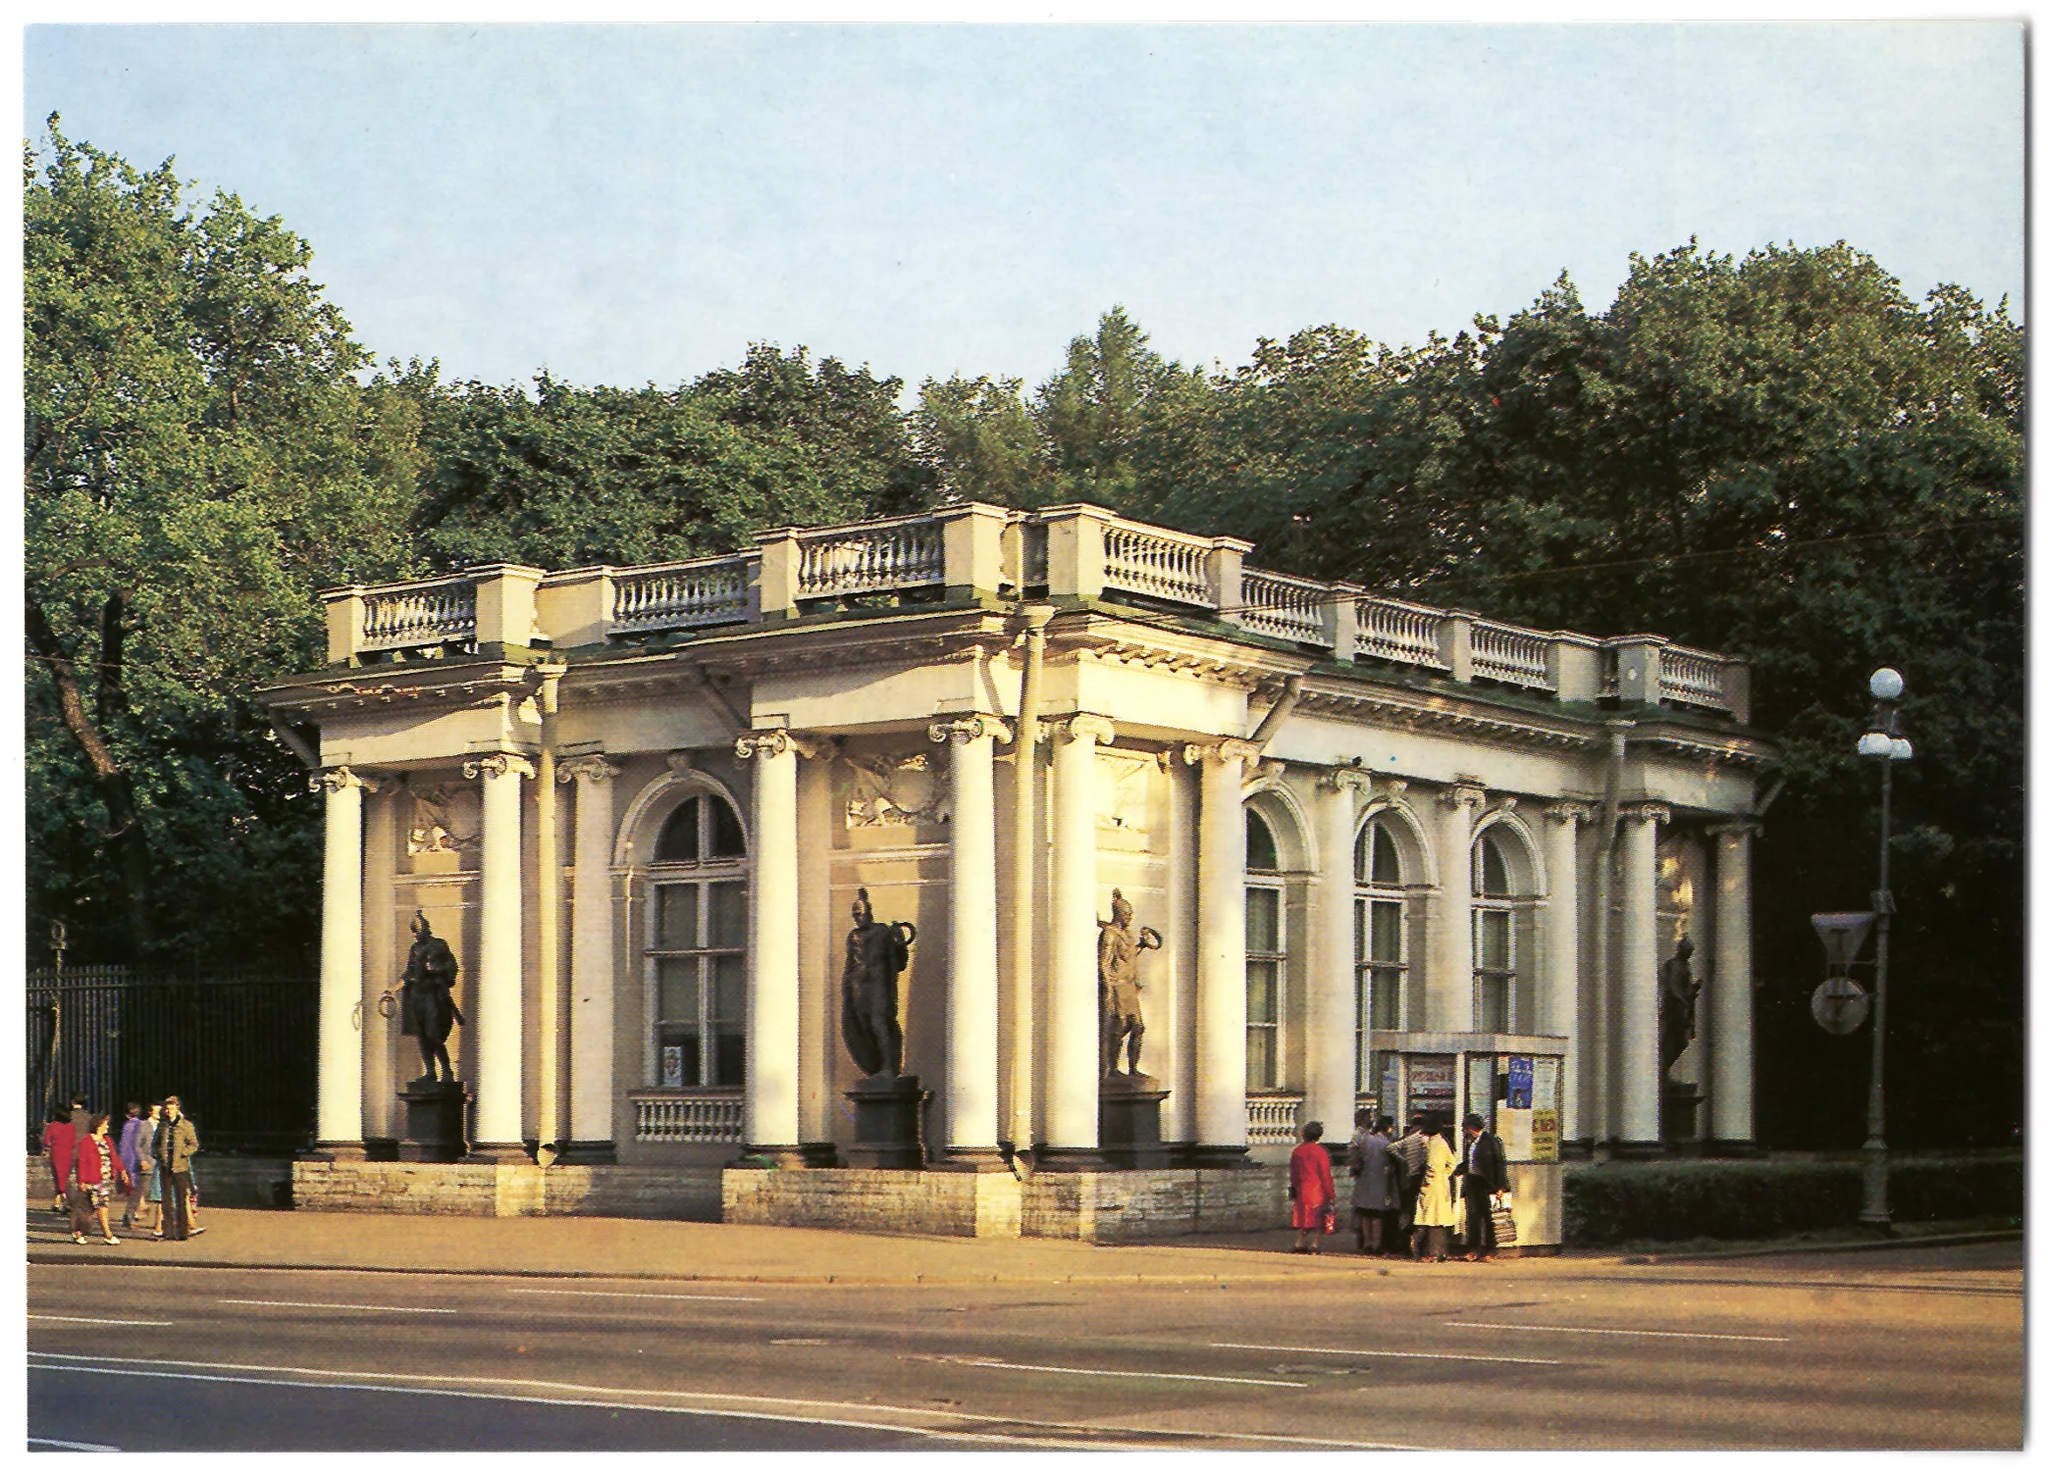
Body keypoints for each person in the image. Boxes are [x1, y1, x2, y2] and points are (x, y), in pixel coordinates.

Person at [840, 888, 913, 1078]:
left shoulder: (882, 932)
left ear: (869, 912)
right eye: (855, 915)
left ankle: (889, 1068)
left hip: (879, 987)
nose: (858, 918)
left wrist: (898, 940)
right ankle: (876, 1067)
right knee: (862, 1026)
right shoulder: (853, 936)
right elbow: (850, 963)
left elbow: (899, 962)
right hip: (858, 988)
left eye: (860, 913)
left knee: (879, 1024)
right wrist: (847, 987)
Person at [1097, 889, 1161, 1076]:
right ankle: (1113, 1069)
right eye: (1126, 914)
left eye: (1131, 914)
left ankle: (1133, 1069)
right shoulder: (1110, 934)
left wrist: (1142, 945)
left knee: (1138, 1027)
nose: (1130, 918)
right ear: (1118, 914)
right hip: (1118, 987)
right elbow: (1104, 963)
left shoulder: (1127, 934)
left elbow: (1127, 956)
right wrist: (1109, 987)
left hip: (1130, 988)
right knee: (1118, 1028)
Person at [400, 912, 464, 1084]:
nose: (415, 934)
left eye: (417, 930)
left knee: (432, 1034)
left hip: (433, 995)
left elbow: (451, 965)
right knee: (421, 1035)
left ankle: (447, 1070)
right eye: (413, 931)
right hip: (417, 995)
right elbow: (409, 972)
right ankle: (430, 1072)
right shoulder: (414, 948)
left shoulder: (438, 944)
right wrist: (391, 990)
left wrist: (435, 968)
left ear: (426, 929)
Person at [1455, 1110, 1510, 1262]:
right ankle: (1473, 1249)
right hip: (1472, 1182)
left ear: (1471, 1127)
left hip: (1487, 1184)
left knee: (1489, 1218)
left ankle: (1490, 1250)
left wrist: (1501, 1186)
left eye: (1464, 1128)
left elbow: (1499, 1163)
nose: (1463, 1131)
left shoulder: (1491, 1141)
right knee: (1472, 1217)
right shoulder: (1471, 1143)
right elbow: (1470, 1162)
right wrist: (1458, 1170)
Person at [72, 1114, 131, 1245]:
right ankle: (108, 1234)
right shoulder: (86, 1142)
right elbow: (81, 1162)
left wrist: (122, 1170)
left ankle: (78, 1231)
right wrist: (81, 1180)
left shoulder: (107, 1140)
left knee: (90, 1209)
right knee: (102, 1205)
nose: (107, 1126)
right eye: (105, 1124)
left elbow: (114, 1157)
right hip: (93, 1179)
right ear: (98, 1125)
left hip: (105, 1178)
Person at [1410, 1113, 1461, 1261]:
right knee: (1439, 1221)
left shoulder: (1432, 1144)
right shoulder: (1443, 1142)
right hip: (1441, 1185)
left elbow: (1431, 1166)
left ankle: (1429, 1253)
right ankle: (1440, 1252)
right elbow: (1452, 1163)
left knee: (1428, 1220)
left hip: (1431, 1187)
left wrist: (1427, 1181)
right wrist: (1444, 1175)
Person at [1347, 1111, 1400, 1255]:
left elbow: (1354, 1154)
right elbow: (1398, 1161)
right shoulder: (1387, 1144)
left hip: (1364, 1180)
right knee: (1377, 1215)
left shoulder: (1365, 1140)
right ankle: (1376, 1244)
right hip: (1381, 1181)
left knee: (1365, 1214)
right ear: (1388, 1127)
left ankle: (1367, 1243)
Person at [152, 1095, 201, 1242]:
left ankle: (182, 1232)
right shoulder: (162, 1126)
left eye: (172, 1109)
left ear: (177, 1109)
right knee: (166, 1201)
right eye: (167, 1109)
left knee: (181, 1200)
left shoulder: (186, 1125)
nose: (169, 1112)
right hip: (165, 1167)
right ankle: (168, 1232)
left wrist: (183, 1153)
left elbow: (194, 1144)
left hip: (180, 1167)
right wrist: (158, 1155)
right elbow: (155, 1143)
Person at [1288, 1120, 1337, 1254]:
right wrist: (1331, 1194)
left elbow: (1293, 1172)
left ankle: (1299, 1242)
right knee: (1317, 1219)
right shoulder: (1320, 1151)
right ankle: (1314, 1244)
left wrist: (1294, 1187)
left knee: (1304, 1217)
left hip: (1302, 1187)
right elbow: (1325, 1174)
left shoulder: (1297, 1151)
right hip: (1317, 1189)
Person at [1388, 1116, 1431, 1254]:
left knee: (1407, 1211)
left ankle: (1405, 1243)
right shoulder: (1423, 1138)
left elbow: (1390, 1148)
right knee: (1418, 1212)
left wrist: (1403, 1160)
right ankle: (1416, 1244)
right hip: (1420, 1178)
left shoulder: (1408, 1139)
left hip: (1407, 1179)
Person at [116, 1102, 152, 1232]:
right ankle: (132, 1214)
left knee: (135, 1190)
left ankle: (133, 1213)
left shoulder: (128, 1126)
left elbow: (124, 1147)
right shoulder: (143, 1125)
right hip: (140, 1162)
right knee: (139, 1190)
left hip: (131, 1161)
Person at [40, 1106, 75, 1216]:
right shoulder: (71, 1127)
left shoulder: (52, 1126)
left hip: (56, 1154)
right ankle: (57, 1203)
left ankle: (65, 1203)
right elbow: (73, 1142)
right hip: (68, 1154)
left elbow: (46, 1142)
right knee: (64, 1178)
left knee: (58, 1178)